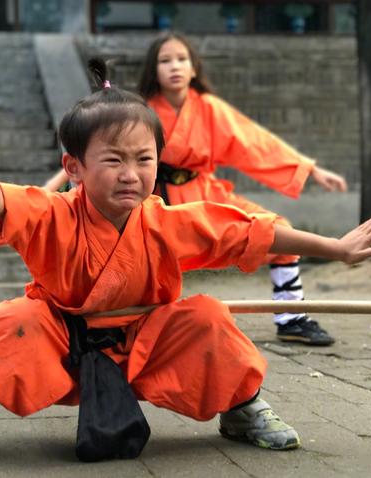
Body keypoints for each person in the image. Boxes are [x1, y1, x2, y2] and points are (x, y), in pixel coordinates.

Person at [0, 59, 371, 466]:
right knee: (15, 320)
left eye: (144, 160)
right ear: (74, 168)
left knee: (208, 317)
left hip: (146, 346)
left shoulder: (165, 221)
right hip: (66, 344)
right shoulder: (51, 213)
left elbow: (248, 230)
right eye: (114, 160)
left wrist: (335, 246)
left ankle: (240, 409)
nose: (131, 174)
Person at [46, 34, 349, 346]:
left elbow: (255, 143)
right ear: (154, 69)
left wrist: (310, 169)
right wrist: (55, 186)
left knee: (277, 230)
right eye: (165, 60)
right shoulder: (140, 111)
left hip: (204, 191)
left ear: (193, 69)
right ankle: (117, 324)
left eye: (181, 59)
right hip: (153, 198)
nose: (174, 66)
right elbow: (95, 152)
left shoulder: (209, 109)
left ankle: (291, 317)